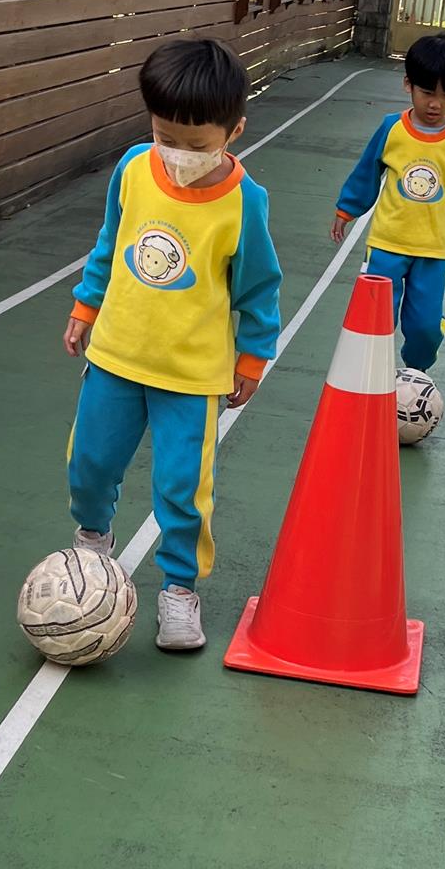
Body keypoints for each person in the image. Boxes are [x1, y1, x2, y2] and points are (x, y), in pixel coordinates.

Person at [63, 38, 282, 650]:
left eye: (197, 144)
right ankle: (93, 544)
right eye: (166, 137)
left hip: (191, 376)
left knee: (183, 490)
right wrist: (86, 305)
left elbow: (259, 288)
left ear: (234, 132)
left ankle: (179, 589)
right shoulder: (134, 168)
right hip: (116, 358)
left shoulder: (245, 202)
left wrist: (252, 357)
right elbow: (111, 243)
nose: (179, 154)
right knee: (89, 464)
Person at [331, 33, 445, 371]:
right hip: (386, 244)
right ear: (408, 85)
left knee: (424, 328)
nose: (436, 104)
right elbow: (367, 171)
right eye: (427, 93)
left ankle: (415, 373)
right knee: (377, 321)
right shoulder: (392, 129)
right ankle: (374, 378)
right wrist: (347, 209)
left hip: (432, 251)